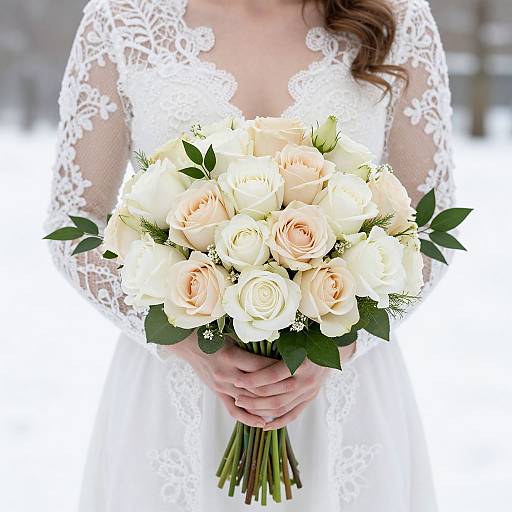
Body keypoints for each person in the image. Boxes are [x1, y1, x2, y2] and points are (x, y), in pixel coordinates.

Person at [45, 0, 455, 510]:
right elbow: (72, 223)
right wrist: (187, 344)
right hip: (177, 389)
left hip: (340, 389)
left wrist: (340, 351)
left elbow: (429, 224)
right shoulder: (120, 20)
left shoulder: (398, 18)